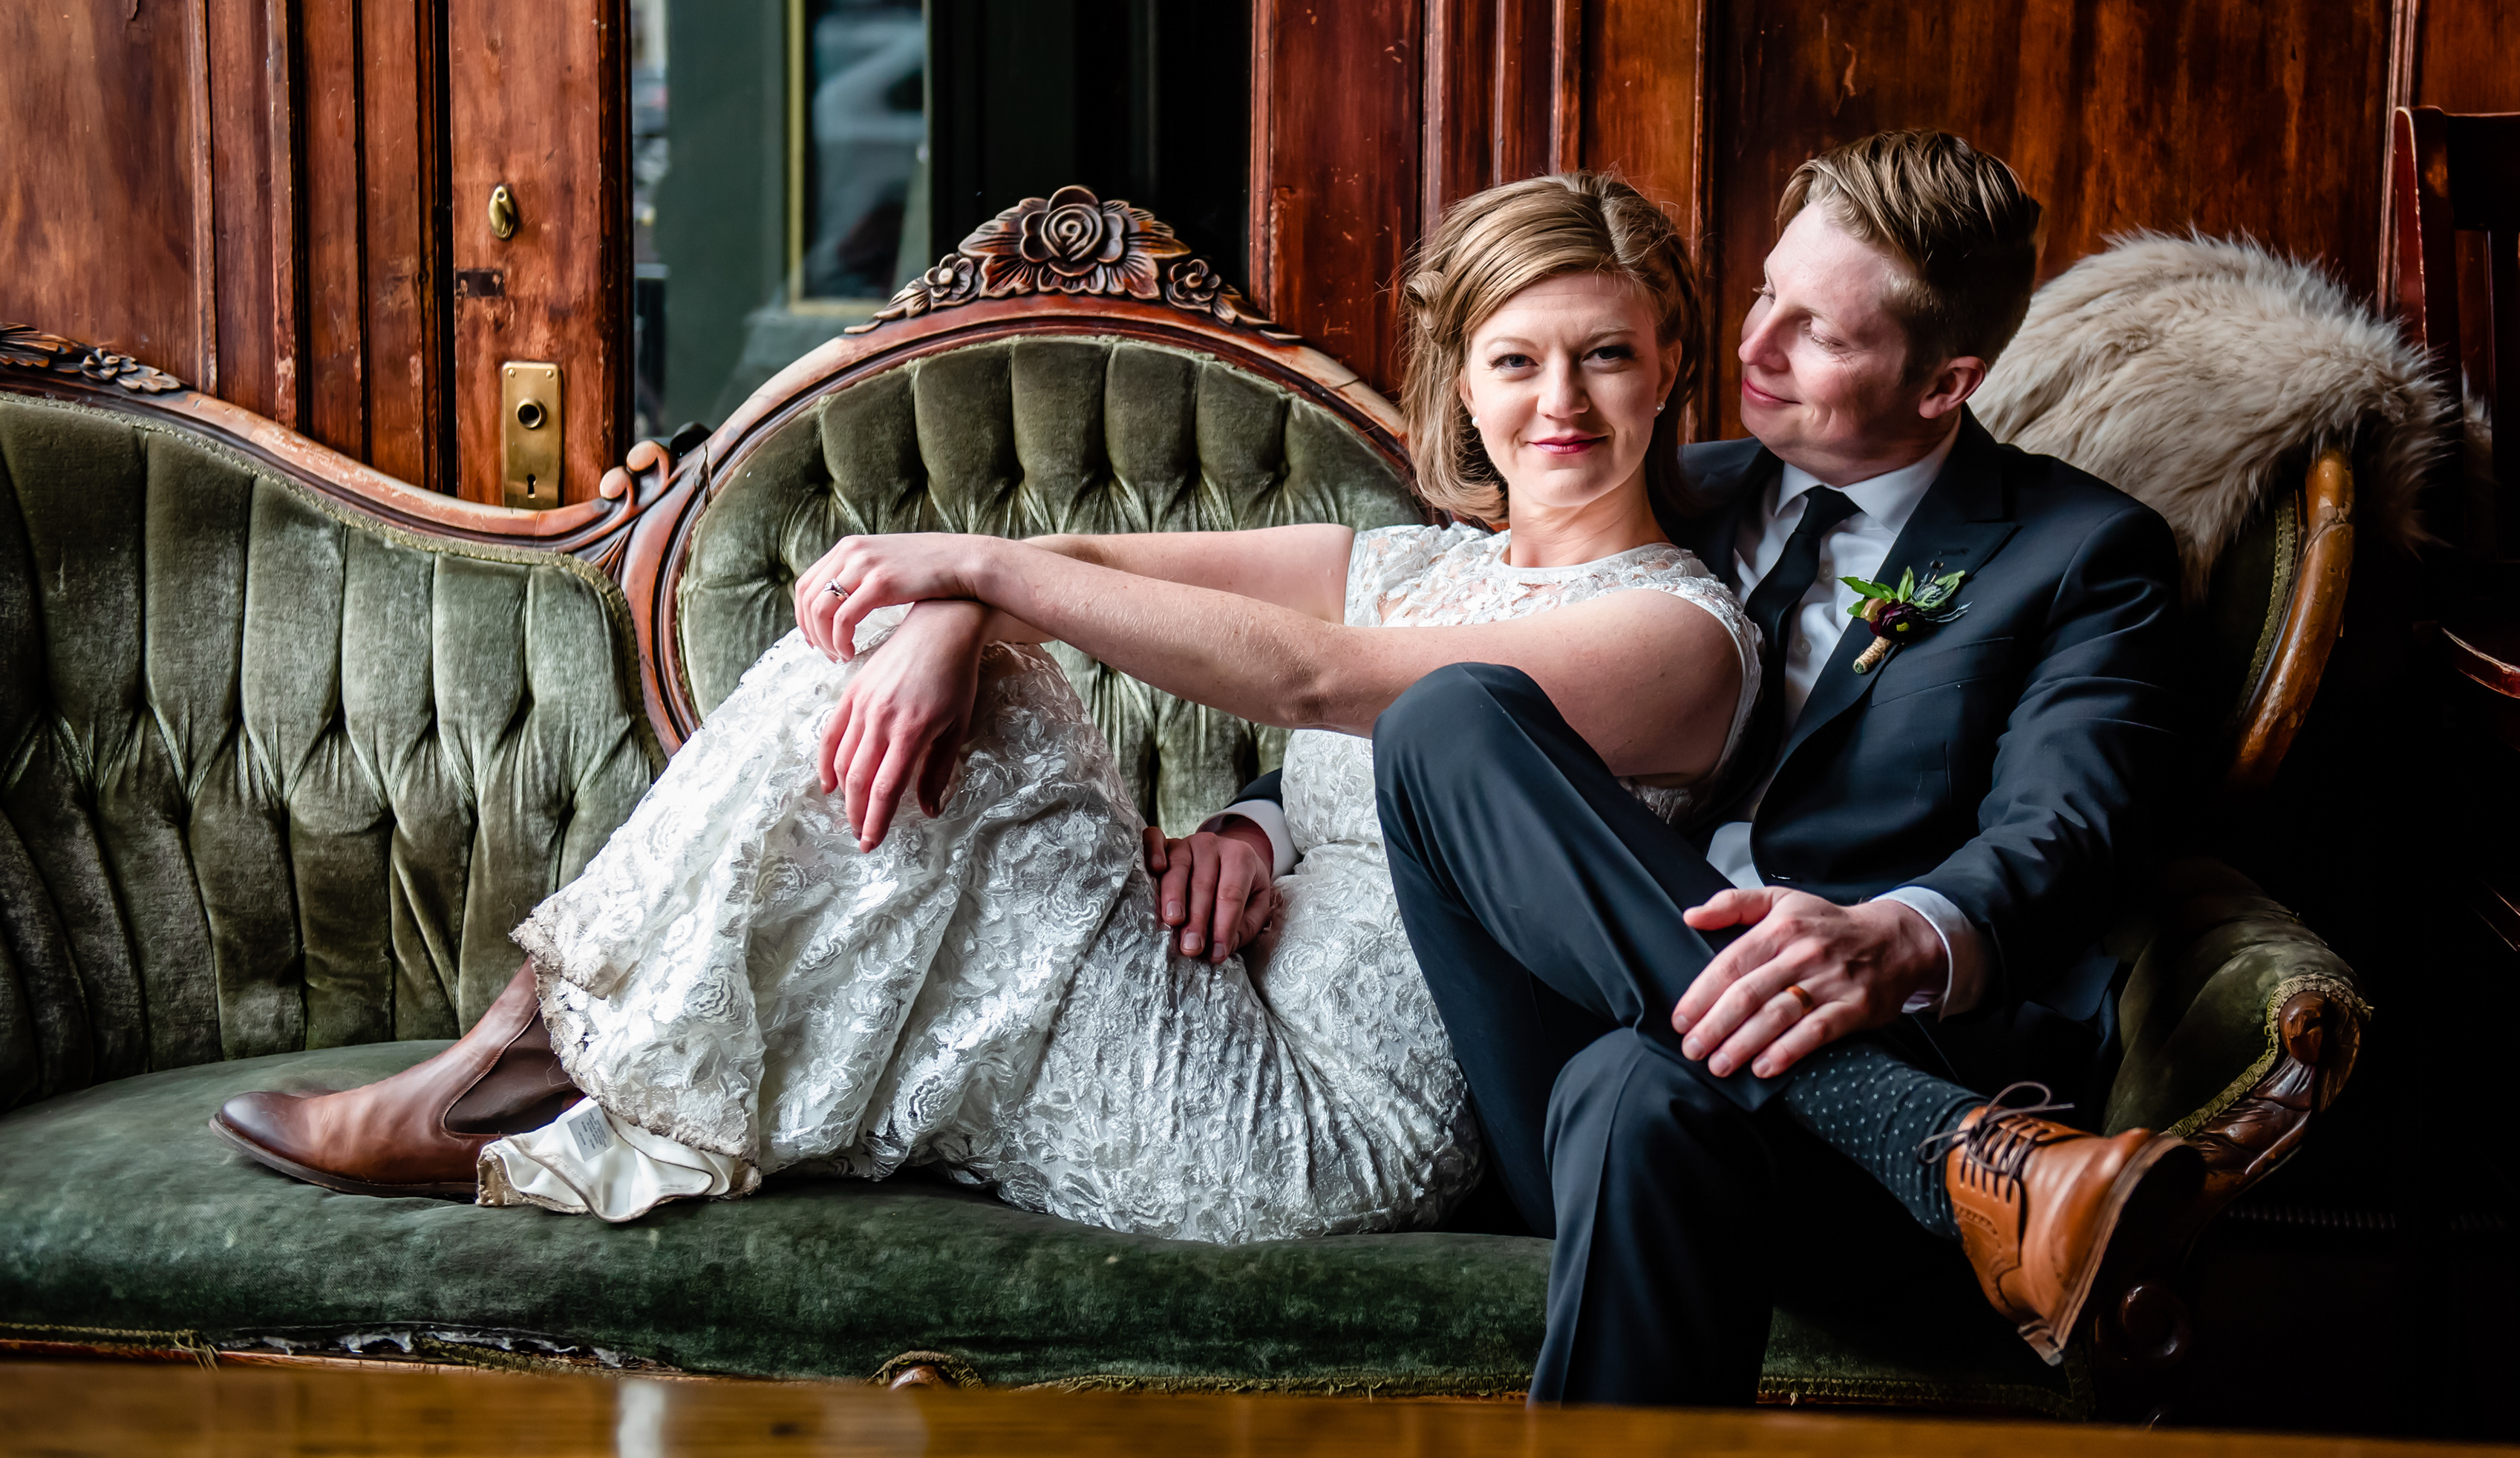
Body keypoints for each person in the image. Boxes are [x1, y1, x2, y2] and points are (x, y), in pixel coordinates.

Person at [210, 174, 1763, 1243]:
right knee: (906, 646)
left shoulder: (1678, 635)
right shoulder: (1409, 562)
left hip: (1320, 1129)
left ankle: (524, 1068)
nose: (1561, 403)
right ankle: (533, 1066)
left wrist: (977, 573)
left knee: (944, 659)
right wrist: (968, 615)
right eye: (1517, 359)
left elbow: (1320, 683)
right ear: (1466, 383)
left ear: (1670, 363)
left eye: (1606, 356)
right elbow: (1095, 567)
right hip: (1216, 994)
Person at [1241, 131, 2202, 1402]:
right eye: (1764, 294)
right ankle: (1940, 1149)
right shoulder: (1669, 482)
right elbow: (1445, 656)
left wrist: (1900, 940)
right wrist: (1257, 824)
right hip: (1548, 1041)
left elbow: (2067, 832)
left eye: (1821, 332)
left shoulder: (2081, 553)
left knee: (1639, 1089)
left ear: (1944, 383)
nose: (1756, 346)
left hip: (1793, 1117)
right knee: (1451, 711)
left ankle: (1903, 1124)